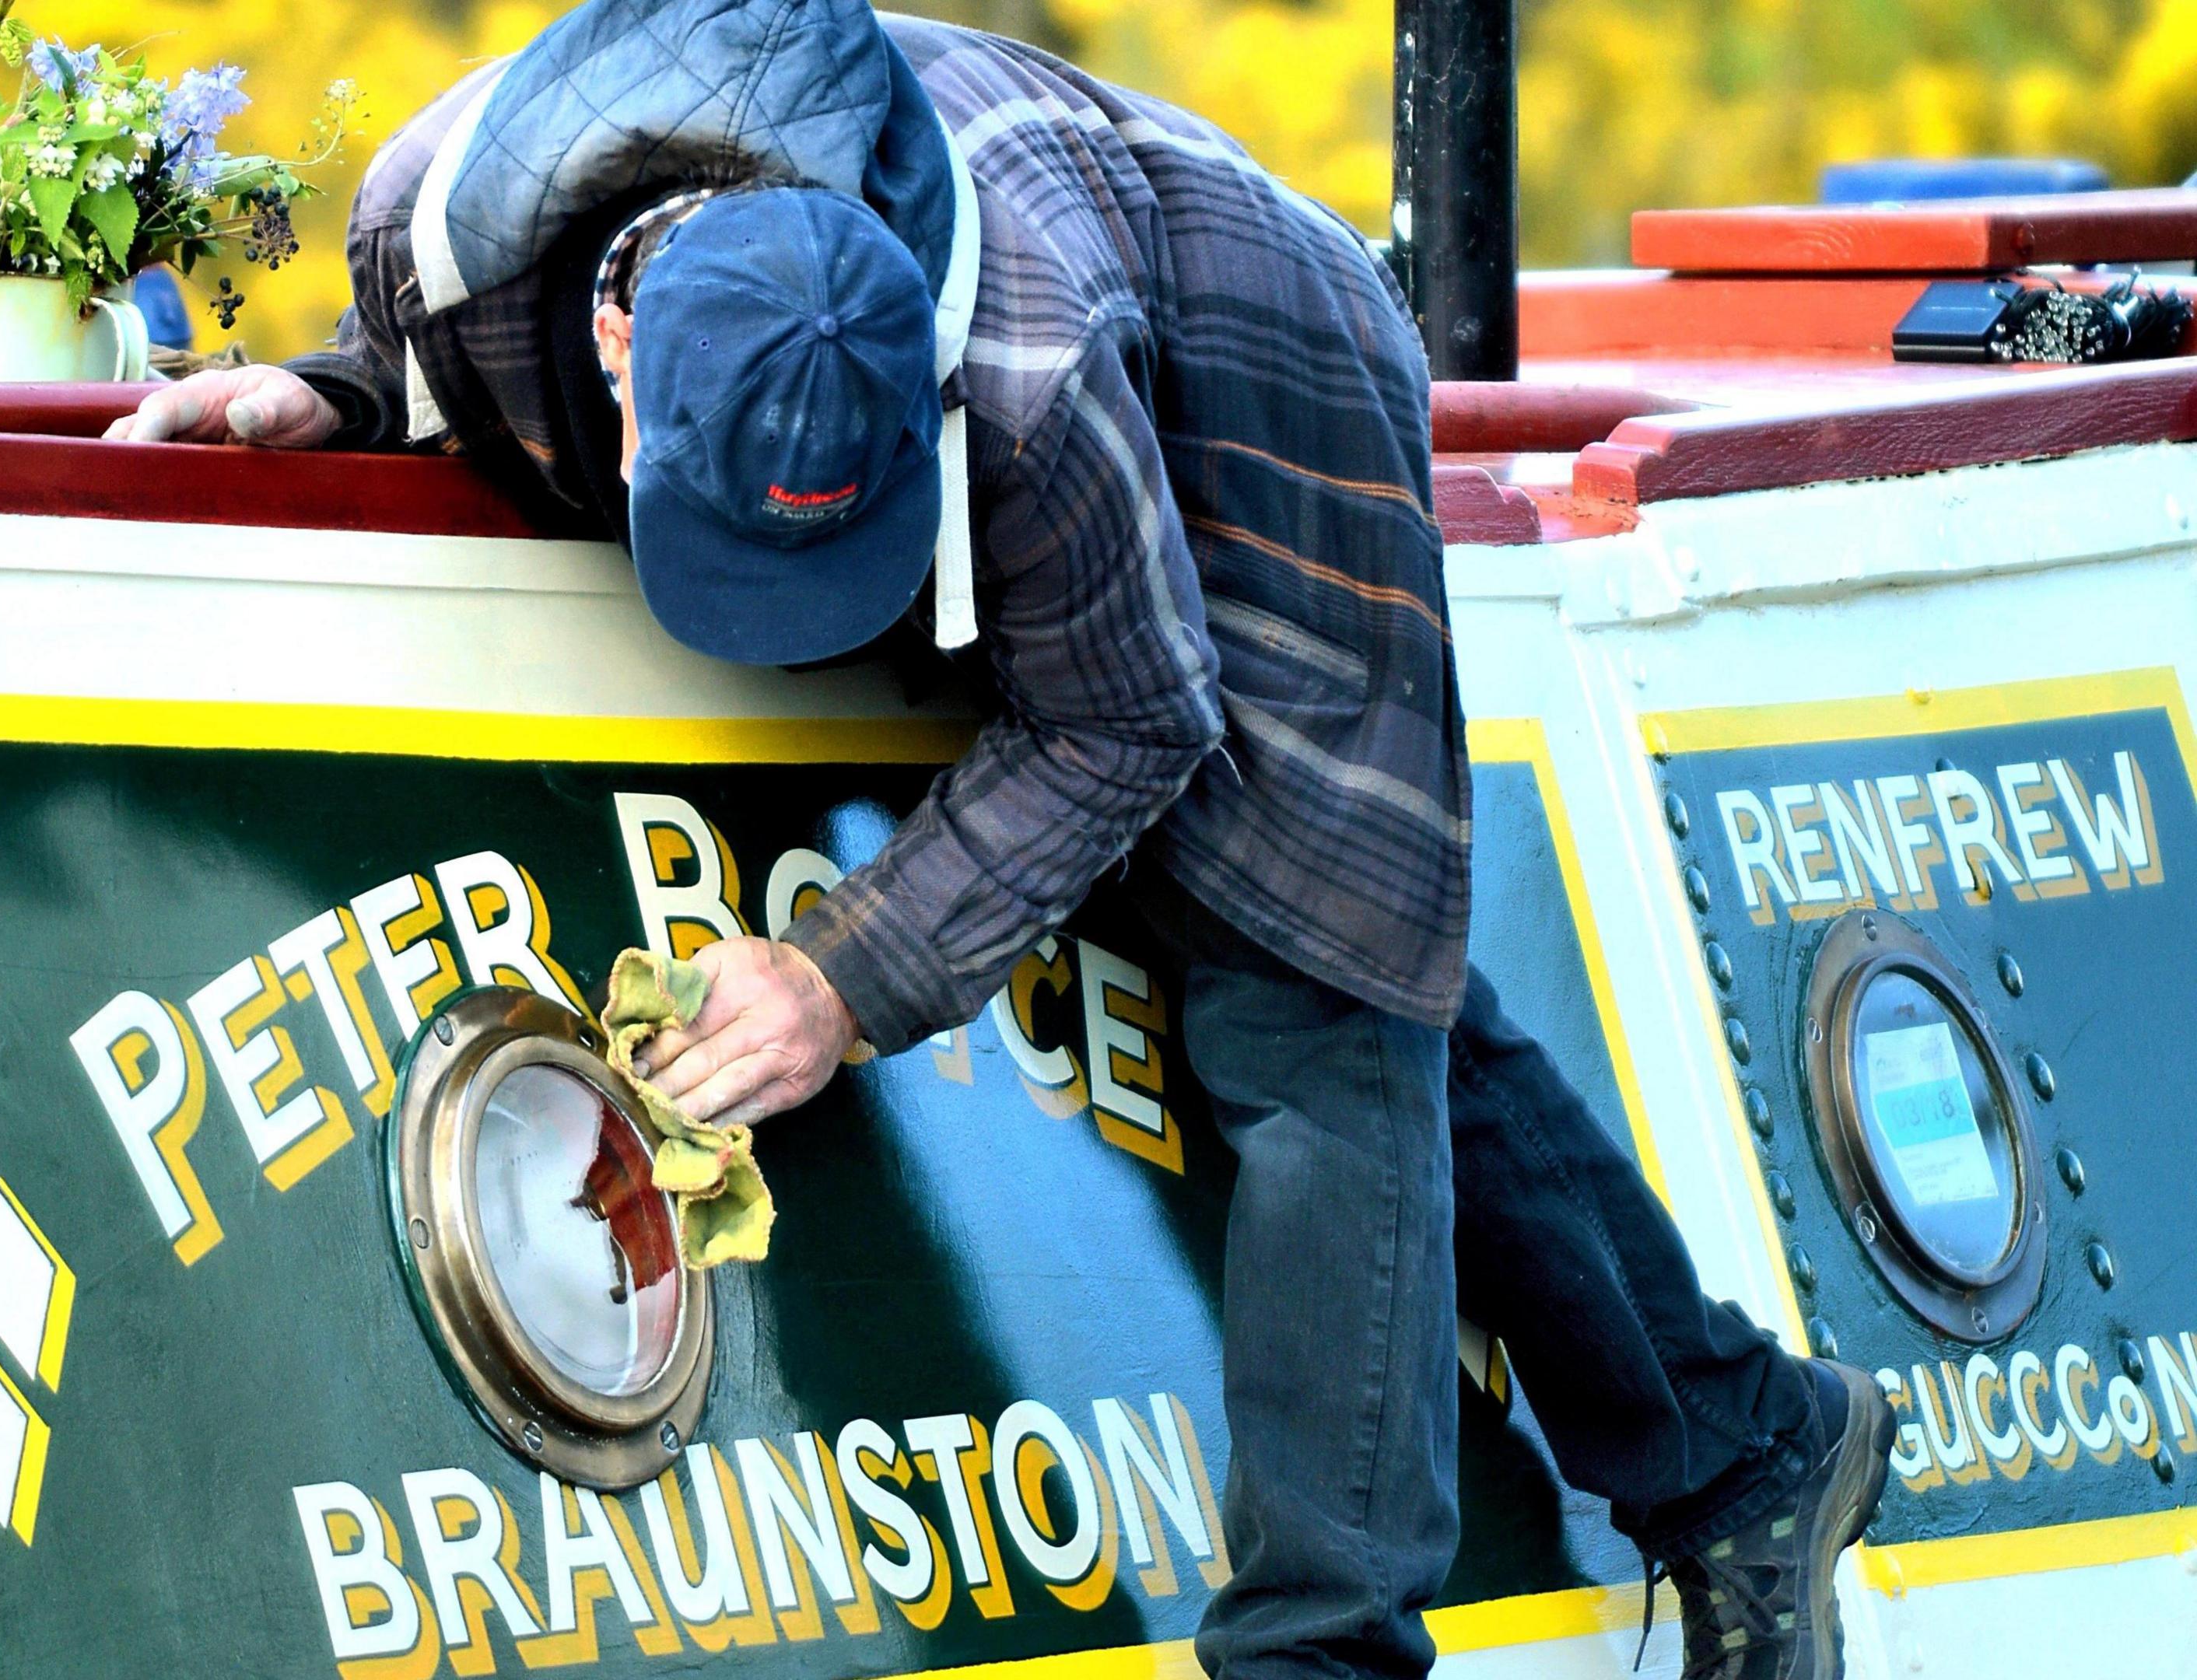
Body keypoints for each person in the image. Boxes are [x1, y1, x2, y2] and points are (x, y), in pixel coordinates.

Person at [109, 2, 1894, 1673]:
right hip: (1001, 380)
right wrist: (346, 398)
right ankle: (1743, 1443)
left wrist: (844, 977)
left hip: (1253, 380)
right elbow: (425, 362)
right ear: (611, 340)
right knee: (1354, 950)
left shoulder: (1031, 384)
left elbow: (1130, 712)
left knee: (1319, 995)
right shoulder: (440, 223)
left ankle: (1330, 1649)